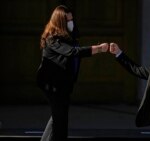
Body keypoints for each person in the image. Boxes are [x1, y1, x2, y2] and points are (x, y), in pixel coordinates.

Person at [36, 5, 109, 141]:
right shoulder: (52, 38)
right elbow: (72, 52)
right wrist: (98, 49)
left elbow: (74, 42)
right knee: (59, 118)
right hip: (52, 85)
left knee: (58, 115)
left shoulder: (68, 36)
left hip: (63, 84)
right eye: (68, 20)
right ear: (61, 22)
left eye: (72, 19)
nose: (71, 22)